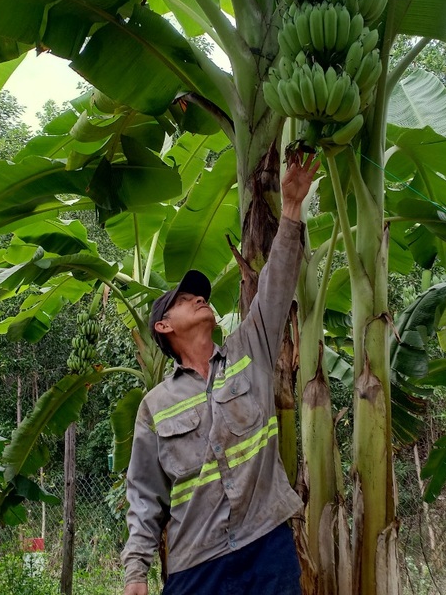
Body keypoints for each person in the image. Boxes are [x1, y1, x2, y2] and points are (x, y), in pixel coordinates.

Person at [122, 151, 319, 595]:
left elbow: (276, 285)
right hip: (197, 563)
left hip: (266, 545)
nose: (199, 298)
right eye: (184, 299)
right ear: (163, 326)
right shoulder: (155, 406)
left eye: (200, 295)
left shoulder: (251, 351)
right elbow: (145, 495)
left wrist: (291, 207)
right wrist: (136, 572)